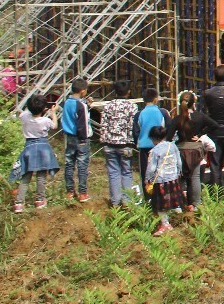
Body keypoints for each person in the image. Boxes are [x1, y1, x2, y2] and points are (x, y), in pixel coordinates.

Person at [13, 94, 58, 212]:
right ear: (44, 109)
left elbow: (25, 113)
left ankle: (19, 203)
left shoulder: (24, 116)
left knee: (25, 176)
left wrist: (34, 106)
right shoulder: (46, 120)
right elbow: (55, 126)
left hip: (29, 147)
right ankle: (40, 200)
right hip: (43, 148)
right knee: (41, 176)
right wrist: (53, 112)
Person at [98, 80, 138, 208]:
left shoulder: (108, 106)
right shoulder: (132, 107)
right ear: (128, 92)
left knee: (113, 173)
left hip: (109, 144)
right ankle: (126, 201)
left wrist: (103, 139)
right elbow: (132, 126)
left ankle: (115, 201)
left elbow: (103, 125)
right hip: (125, 145)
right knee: (126, 172)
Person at [143, 124, 183, 235]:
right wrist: (179, 171)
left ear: (153, 138)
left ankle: (165, 224)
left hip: (161, 180)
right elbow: (179, 161)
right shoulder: (172, 146)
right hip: (173, 177)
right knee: (175, 198)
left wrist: (147, 180)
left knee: (160, 204)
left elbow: (151, 168)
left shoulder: (154, 151)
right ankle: (181, 217)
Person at [174, 91, 209, 210]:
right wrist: (200, 134)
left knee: (180, 178)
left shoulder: (178, 119)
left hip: (181, 150)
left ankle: (179, 204)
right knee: (195, 177)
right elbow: (214, 125)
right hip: (195, 151)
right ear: (194, 103)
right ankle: (196, 205)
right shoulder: (200, 116)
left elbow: (169, 136)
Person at [59, 78, 92, 203]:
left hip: (69, 137)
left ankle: (70, 191)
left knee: (69, 164)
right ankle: (83, 192)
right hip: (80, 138)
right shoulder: (81, 105)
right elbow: (82, 123)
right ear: (83, 91)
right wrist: (83, 139)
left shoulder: (67, 102)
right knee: (82, 165)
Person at [134, 88, 166, 181]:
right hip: (159, 147)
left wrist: (137, 143)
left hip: (144, 148)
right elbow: (167, 128)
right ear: (156, 99)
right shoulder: (162, 113)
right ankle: (159, 194)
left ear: (143, 100)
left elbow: (136, 132)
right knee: (159, 173)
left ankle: (147, 195)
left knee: (145, 174)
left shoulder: (139, 114)